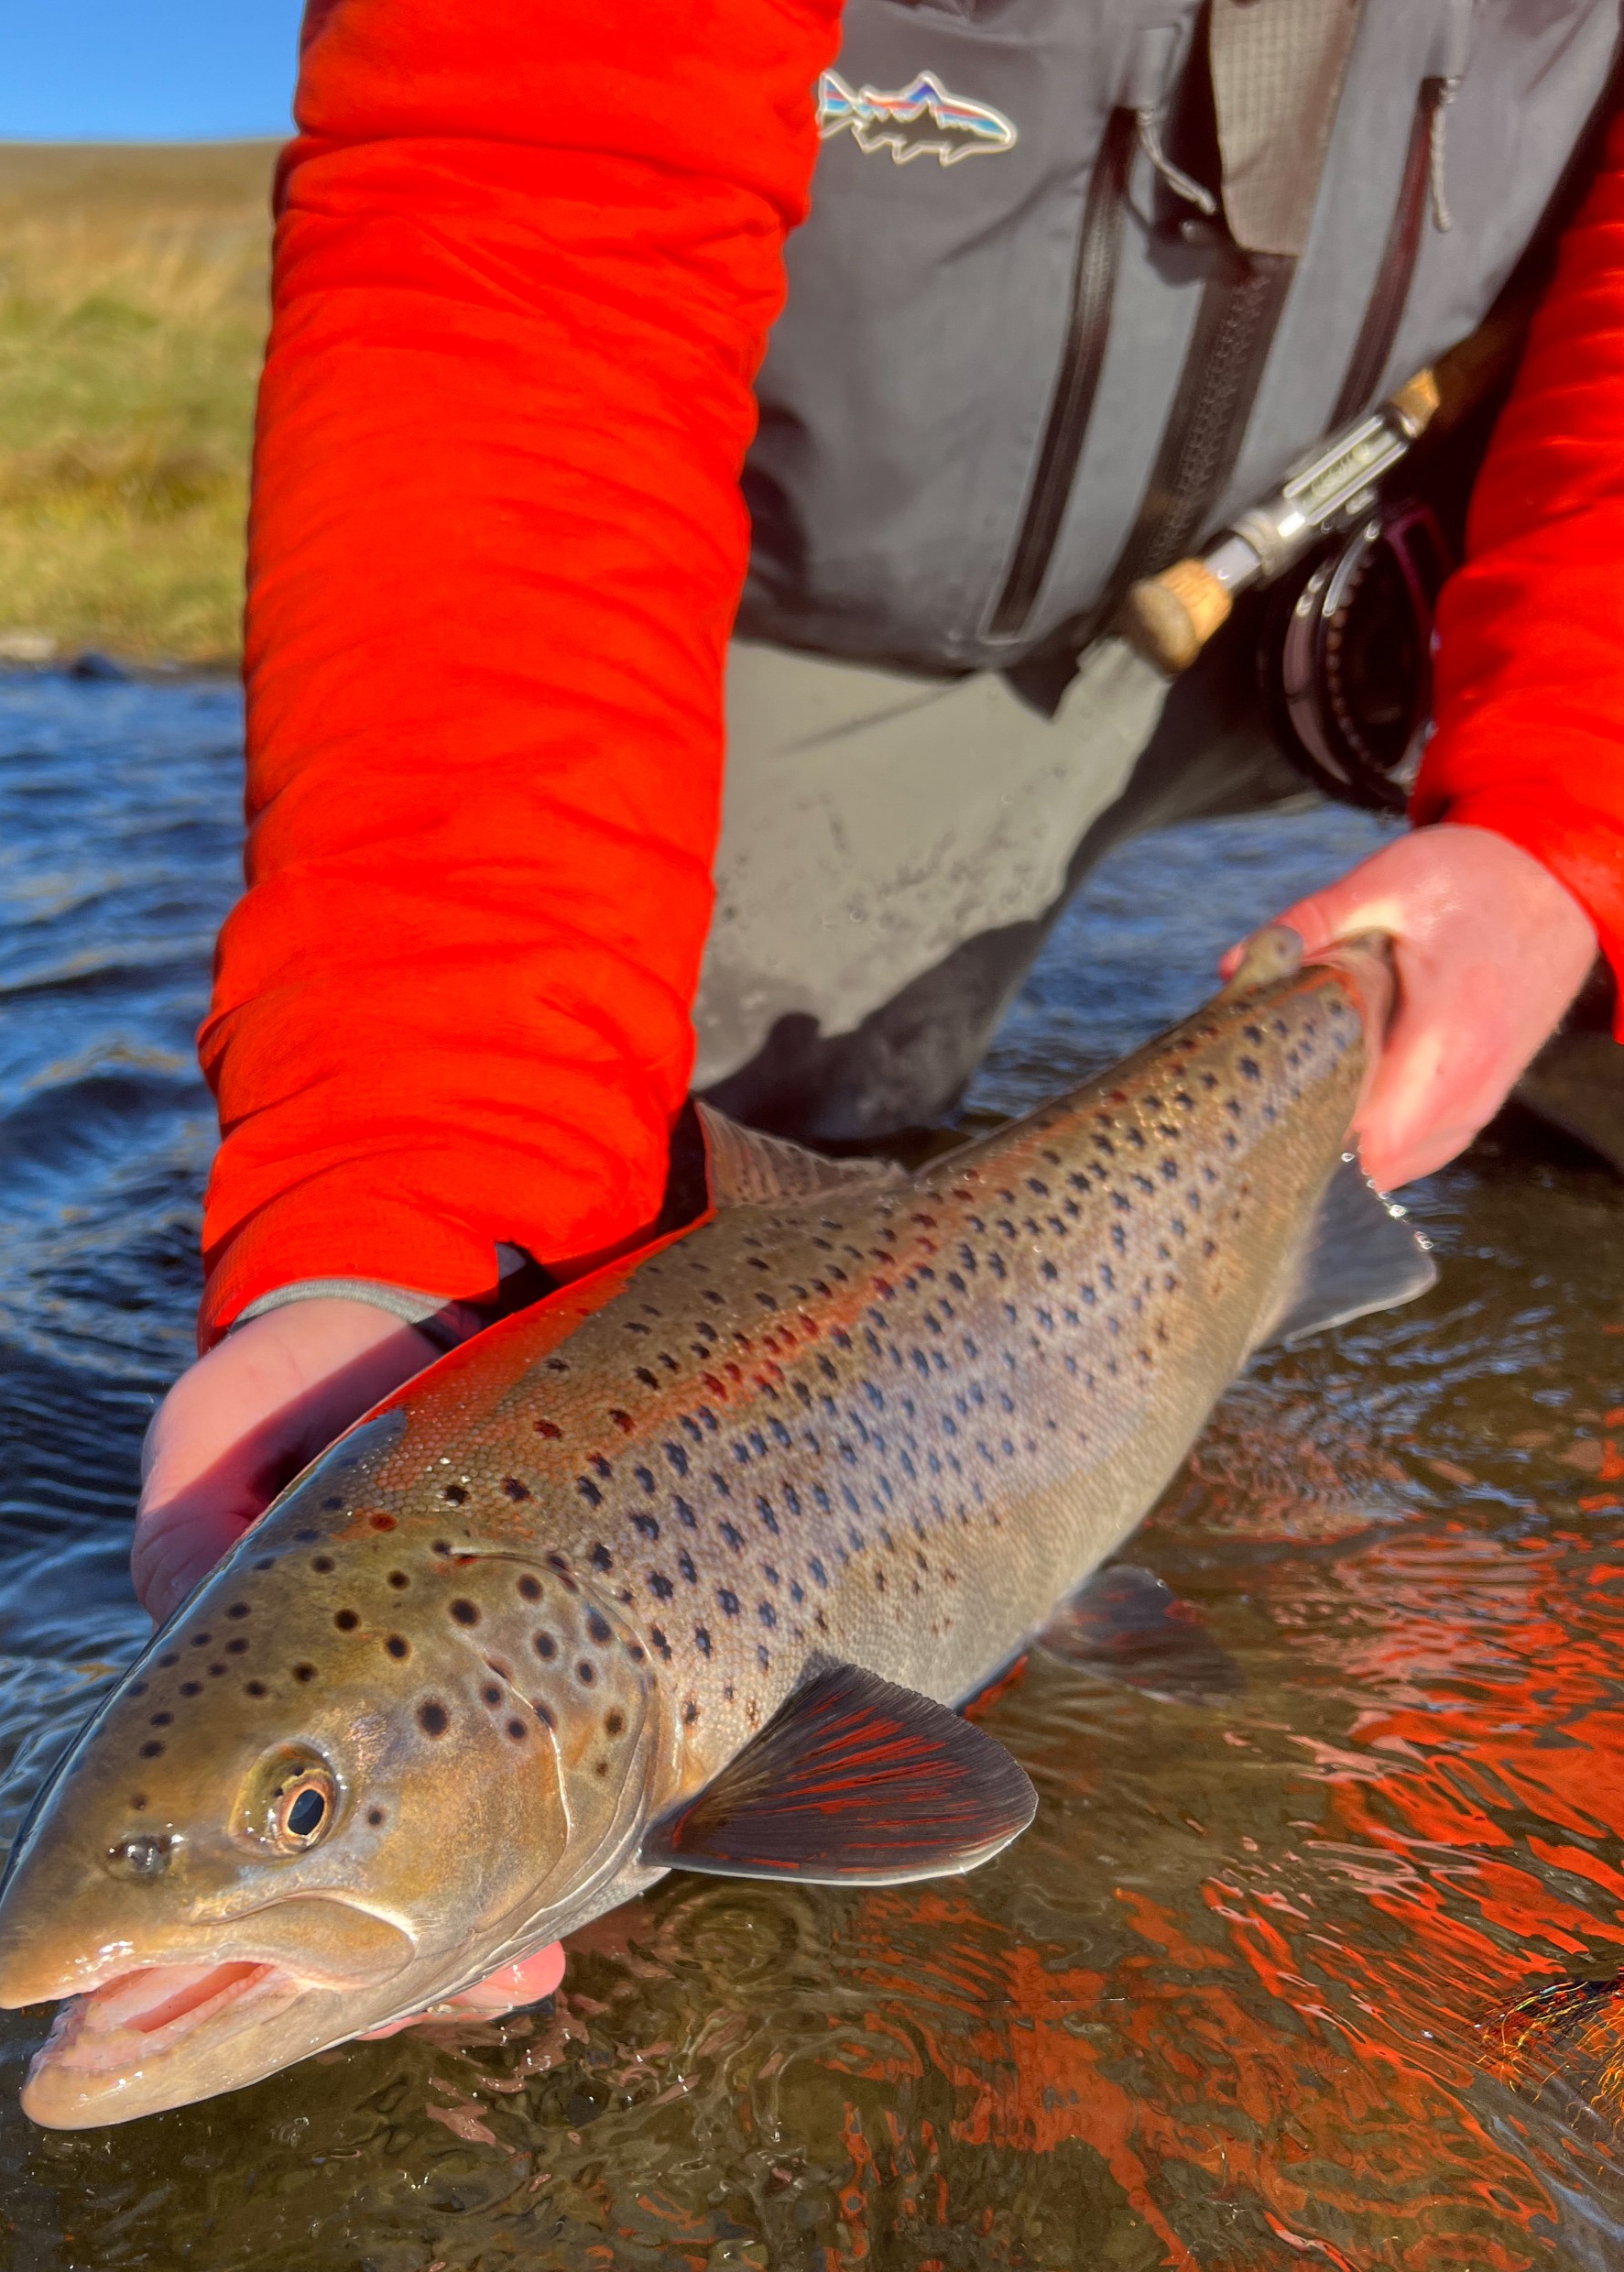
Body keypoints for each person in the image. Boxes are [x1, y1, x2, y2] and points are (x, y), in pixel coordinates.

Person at [130, 4, 1624, 2026]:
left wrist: (1561, 831)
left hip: (1473, 546)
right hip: (829, 588)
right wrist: (400, 1189)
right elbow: (528, 237)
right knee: (604, 1203)